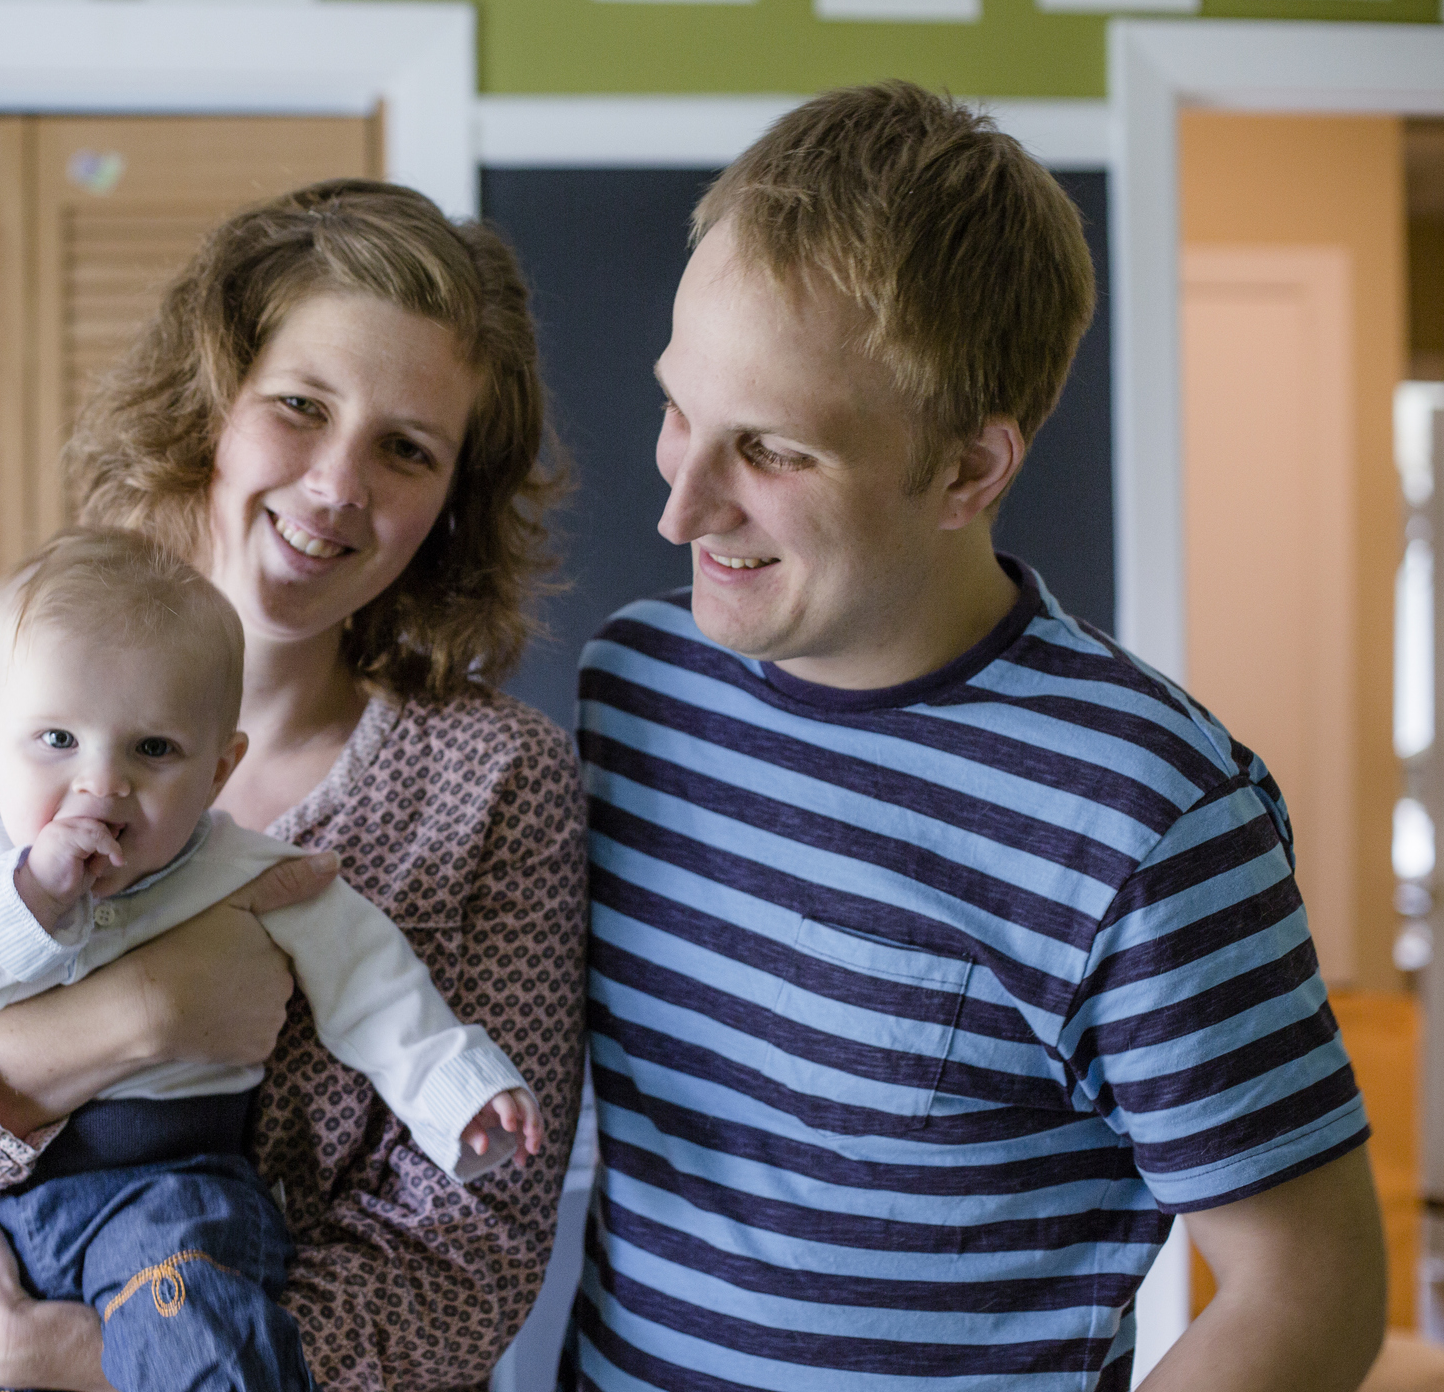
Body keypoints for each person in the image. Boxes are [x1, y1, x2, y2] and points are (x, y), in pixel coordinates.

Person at [571, 82, 1386, 1392]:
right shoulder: (635, 685)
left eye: (770, 451)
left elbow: (1314, 1284)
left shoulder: (1147, 813)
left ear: (968, 470)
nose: (677, 508)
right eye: (680, 408)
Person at [0, 178, 588, 1392]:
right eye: (300, 405)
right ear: (210, 405)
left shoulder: (495, 785)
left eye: (406, 449)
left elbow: (466, 1262)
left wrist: (64, 1355)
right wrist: (132, 1022)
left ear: (451, 503)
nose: (340, 485)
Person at [0, 527, 544, 1392]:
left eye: (153, 751)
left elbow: (372, 982)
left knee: (193, 1323)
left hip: (170, 1191)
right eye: (57, 741)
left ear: (219, 771)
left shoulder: (243, 867)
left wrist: (459, 1092)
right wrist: (27, 894)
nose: (100, 784)